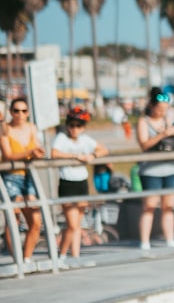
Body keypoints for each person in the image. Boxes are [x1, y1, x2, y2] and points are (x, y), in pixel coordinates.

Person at [50, 107, 108, 266]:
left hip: (82, 183)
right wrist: (76, 156)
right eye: (72, 125)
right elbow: (54, 154)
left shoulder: (85, 140)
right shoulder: (61, 138)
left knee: (78, 225)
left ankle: (75, 257)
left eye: (79, 126)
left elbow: (104, 149)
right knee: (72, 224)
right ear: (67, 125)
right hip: (67, 184)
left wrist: (92, 155)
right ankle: (61, 255)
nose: (75, 129)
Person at [136, 87, 174, 251]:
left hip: (170, 168)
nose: (162, 111)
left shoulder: (168, 121)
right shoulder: (144, 121)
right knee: (149, 206)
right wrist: (162, 135)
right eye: (160, 108)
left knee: (168, 206)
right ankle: (145, 242)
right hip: (151, 171)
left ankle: (170, 239)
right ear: (152, 106)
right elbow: (144, 145)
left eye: (165, 109)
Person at [1, 97, 45, 264]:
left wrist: (38, 153)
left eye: (24, 111)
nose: (20, 114)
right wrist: (30, 152)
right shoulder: (5, 129)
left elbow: (37, 149)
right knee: (14, 218)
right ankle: (17, 260)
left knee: (35, 220)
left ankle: (26, 258)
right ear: (11, 112)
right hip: (10, 176)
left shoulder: (31, 128)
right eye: (16, 111)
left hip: (28, 176)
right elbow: (8, 155)